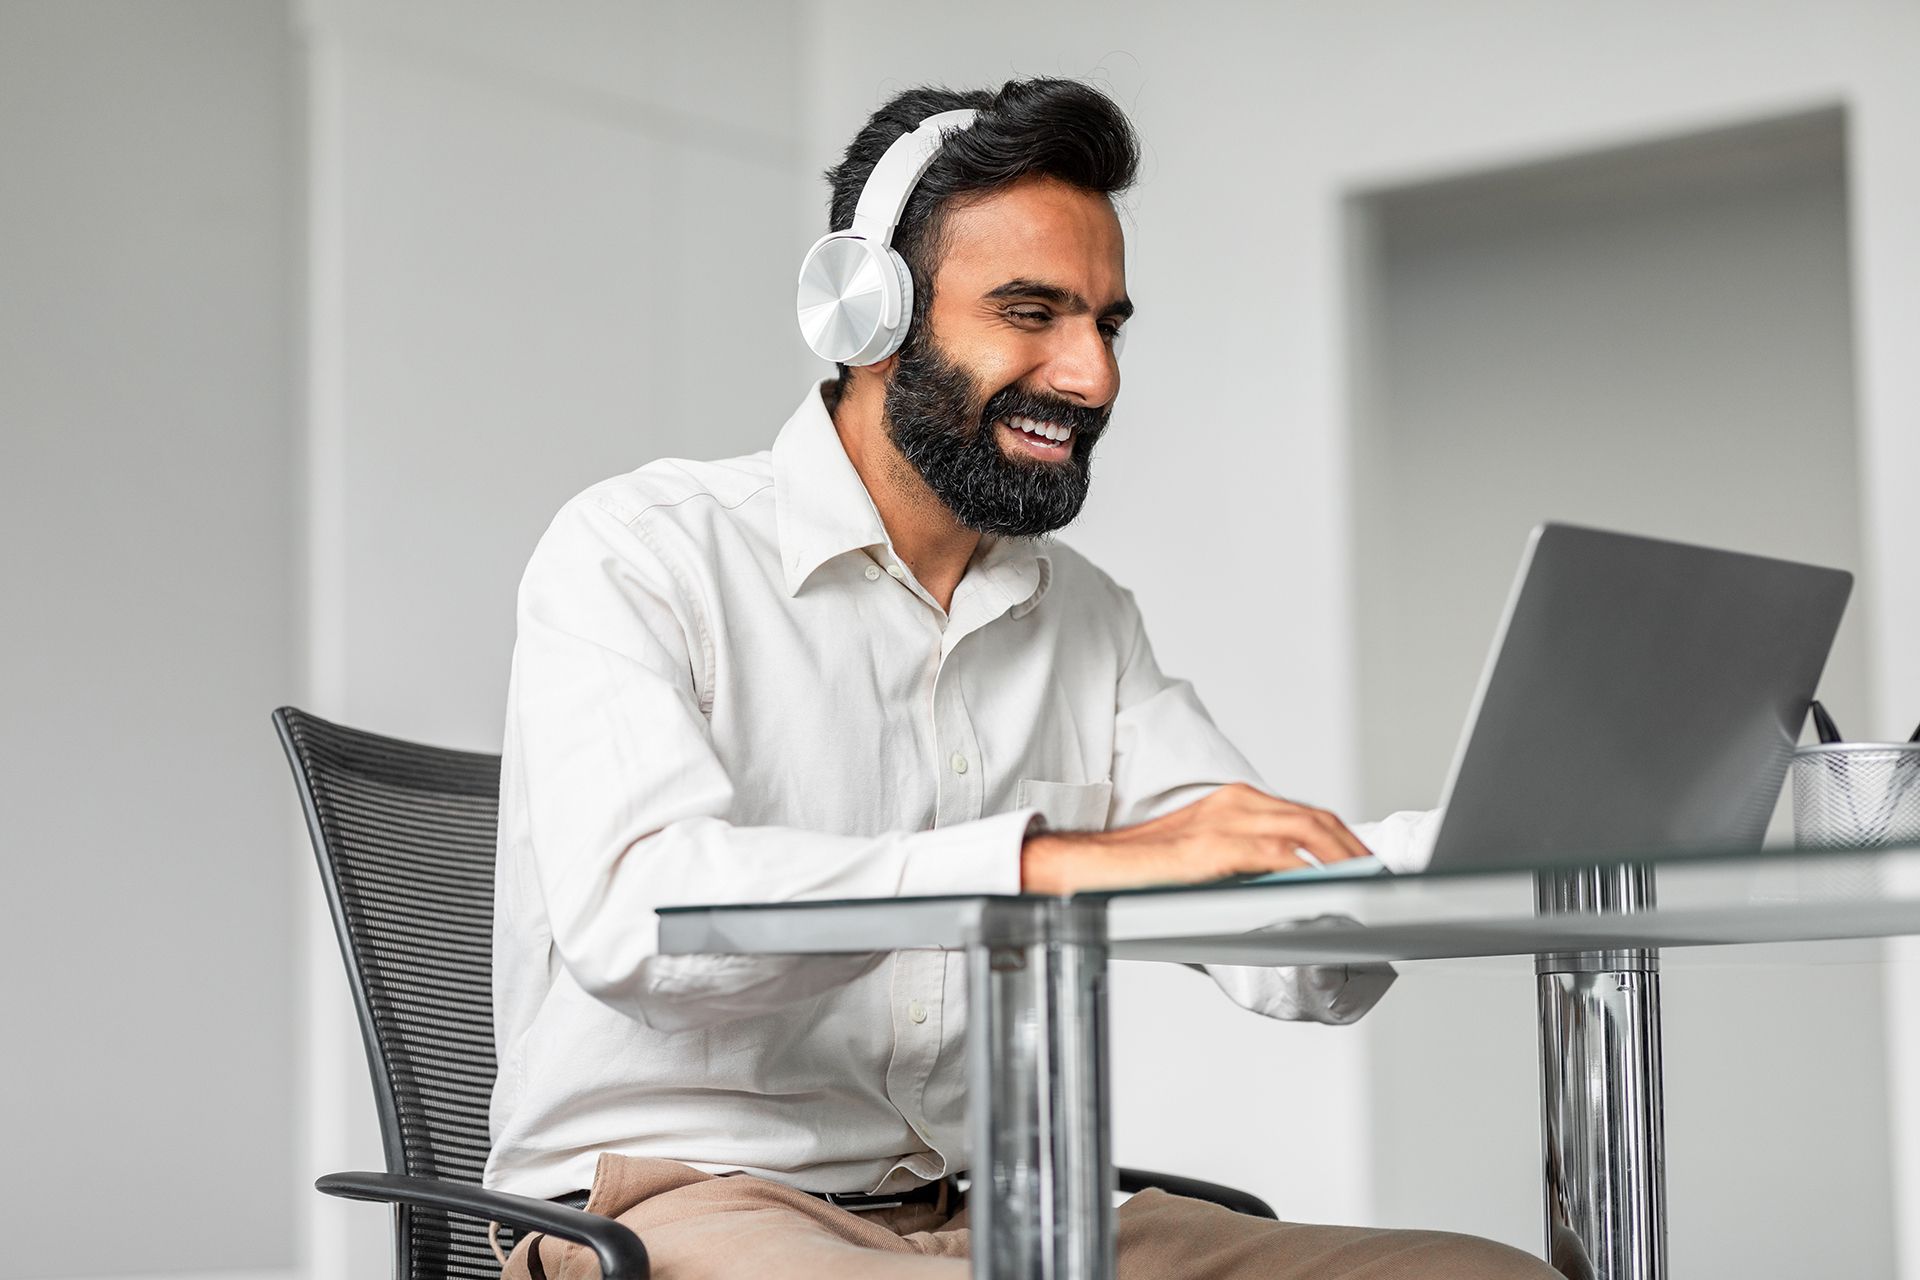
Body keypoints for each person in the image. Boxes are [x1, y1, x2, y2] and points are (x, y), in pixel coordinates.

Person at [490, 77, 1556, 1280]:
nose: (1091, 374)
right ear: (865, 315)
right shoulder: (641, 549)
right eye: (1032, 311)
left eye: (1107, 322)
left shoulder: (1086, 616)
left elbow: (1283, 949)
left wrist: (1448, 851)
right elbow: (640, 916)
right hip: (677, 1203)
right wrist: (1048, 862)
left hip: (1008, 1203)